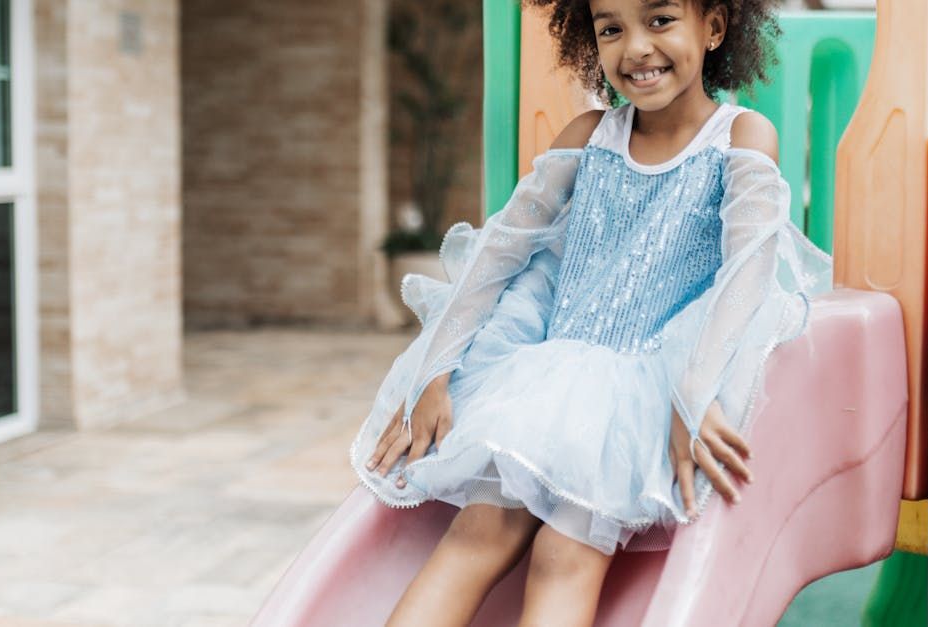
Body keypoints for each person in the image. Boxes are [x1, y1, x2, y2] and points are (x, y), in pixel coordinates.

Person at [349, 0, 832, 624]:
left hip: (635, 398)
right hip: (544, 377)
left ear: (713, 27)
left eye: (660, 21)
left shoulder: (740, 137)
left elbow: (748, 271)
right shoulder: (588, 136)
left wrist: (693, 392)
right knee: (478, 534)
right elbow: (501, 251)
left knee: (564, 554)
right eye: (612, 29)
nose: (635, 47)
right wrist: (436, 369)